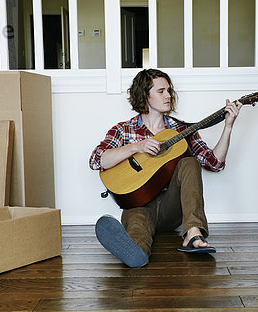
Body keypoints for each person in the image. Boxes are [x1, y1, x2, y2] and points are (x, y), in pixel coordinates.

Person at [89, 68, 242, 268]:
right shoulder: (123, 130)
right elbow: (96, 160)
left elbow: (214, 163)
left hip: (172, 207)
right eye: (161, 91)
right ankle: (136, 252)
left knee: (190, 162)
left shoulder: (182, 130)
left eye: (169, 90)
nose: (168, 95)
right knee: (137, 232)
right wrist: (137, 146)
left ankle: (193, 235)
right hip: (138, 203)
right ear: (144, 95)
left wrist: (228, 126)